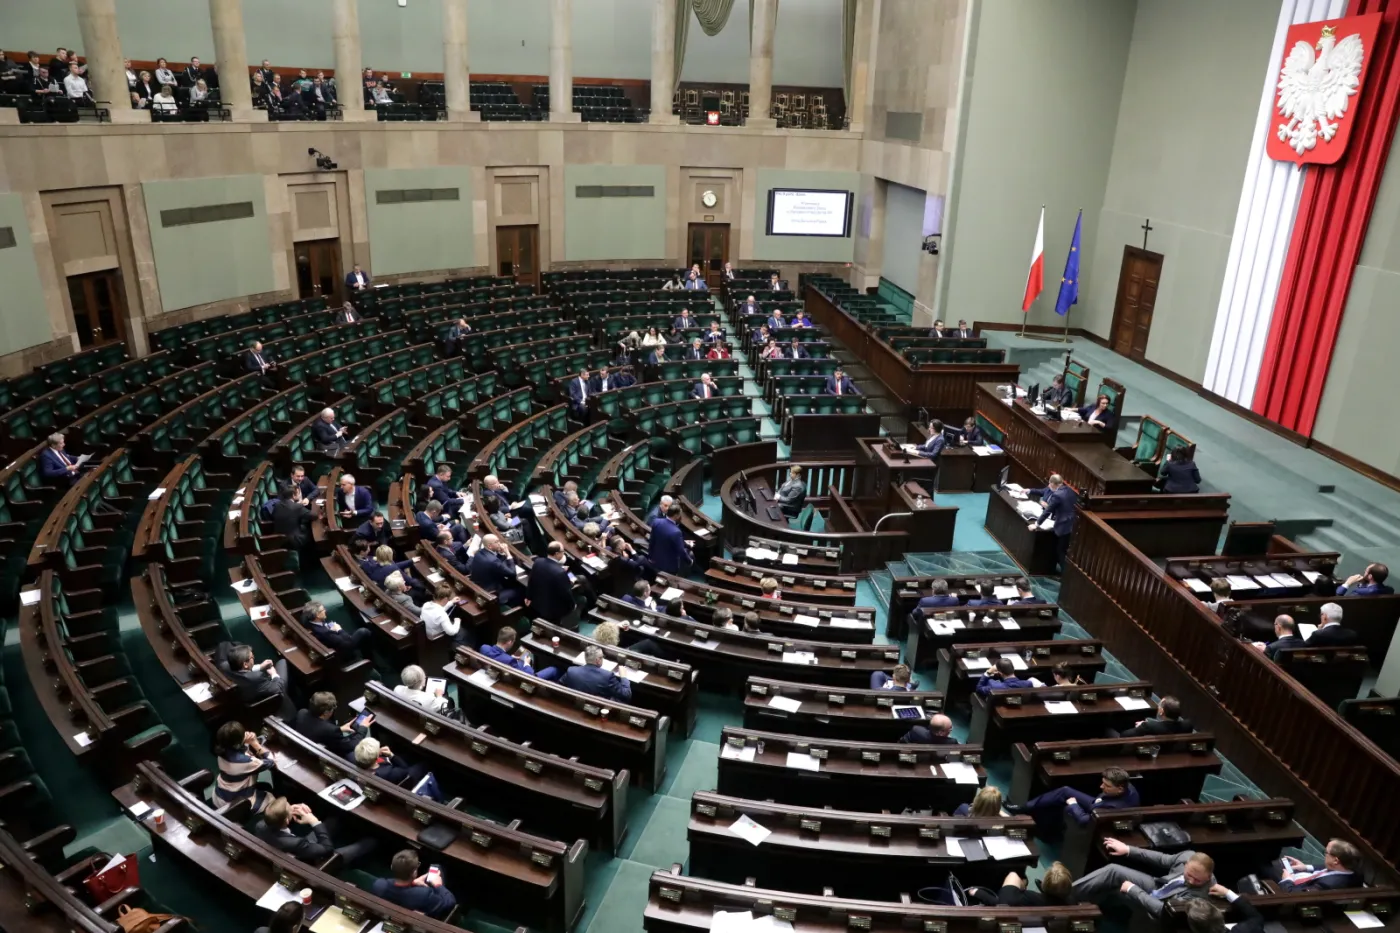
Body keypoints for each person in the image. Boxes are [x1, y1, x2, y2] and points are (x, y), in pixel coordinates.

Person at [1070, 840, 1214, 919]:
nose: (1192, 881)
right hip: (1158, 887)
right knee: (1113, 870)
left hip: (1160, 909)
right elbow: (1162, 859)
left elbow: (1162, 910)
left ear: (1208, 877)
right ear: (1186, 865)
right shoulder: (1187, 856)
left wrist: (1133, 889)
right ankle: (1065, 892)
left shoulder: (1200, 895)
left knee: (1118, 889)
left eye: (1198, 880)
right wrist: (1128, 849)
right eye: (1189, 875)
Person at [252, 797, 377, 867]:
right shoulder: (297, 843)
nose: (292, 807)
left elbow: (279, 820)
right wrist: (314, 821)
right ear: (286, 820)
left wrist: (290, 810)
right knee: (370, 842)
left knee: (334, 820)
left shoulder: (261, 825)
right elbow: (327, 849)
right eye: (289, 808)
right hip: (312, 862)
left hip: (293, 849)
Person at [1007, 767, 1140, 826]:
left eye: (1107, 786)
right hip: (1098, 803)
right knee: (1065, 791)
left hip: (1095, 818)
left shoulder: (1113, 807)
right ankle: (1025, 807)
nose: (1101, 787)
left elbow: (1084, 820)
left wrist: (1074, 805)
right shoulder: (1127, 787)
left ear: (1119, 788)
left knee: (1067, 807)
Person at [214, 642, 294, 720]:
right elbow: (277, 687)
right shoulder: (256, 678)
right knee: (282, 662)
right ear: (245, 664)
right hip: (260, 703)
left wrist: (260, 666)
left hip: (243, 697)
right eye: (252, 657)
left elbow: (223, 645)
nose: (254, 657)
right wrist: (274, 674)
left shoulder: (224, 666)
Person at [371, 849, 457, 919]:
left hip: (390, 915)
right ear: (414, 873)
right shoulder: (423, 894)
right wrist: (438, 885)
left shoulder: (379, 885)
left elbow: (397, 888)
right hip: (421, 920)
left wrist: (413, 883)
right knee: (437, 867)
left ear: (392, 867)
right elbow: (449, 903)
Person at [213, 721, 275, 813]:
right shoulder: (244, 762)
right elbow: (270, 761)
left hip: (220, 796)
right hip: (234, 804)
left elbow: (241, 752)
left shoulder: (222, 752)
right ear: (238, 743)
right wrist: (254, 743)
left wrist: (245, 742)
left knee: (265, 786)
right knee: (272, 799)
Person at [1263, 838, 1361, 891]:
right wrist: (1305, 867)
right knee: (1276, 860)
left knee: (1264, 864)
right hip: (1303, 876)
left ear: (1336, 861)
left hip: (1292, 885)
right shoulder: (1349, 869)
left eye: (1326, 852)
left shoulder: (1327, 885)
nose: (1325, 855)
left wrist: (1287, 880)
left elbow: (1294, 895)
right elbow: (1328, 867)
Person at [294, 690, 369, 758]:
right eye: (333, 709)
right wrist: (363, 728)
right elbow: (351, 745)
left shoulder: (302, 712)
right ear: (326, 712)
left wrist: (339, 729)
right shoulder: (330, 730)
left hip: (300, 749)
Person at [1026, 474, 1077, 573]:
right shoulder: (1069, 490)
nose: (1049, 485)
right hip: (1072, 522)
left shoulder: (1057, 495)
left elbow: (1047, 511)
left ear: (1053, 484)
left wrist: (1036, 524)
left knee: (1060, 551)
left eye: (1049, 483)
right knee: (1063, 549)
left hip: (1063, 524)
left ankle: (1065, 575)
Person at [301, 601, 371, 660]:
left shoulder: (309, 621)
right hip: (341, 653)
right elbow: (348, 644)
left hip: (332, 640)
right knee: (364, 632)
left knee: (358, 632)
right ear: (318, 615)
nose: (325, 610)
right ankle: (369, 659)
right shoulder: (325, 633)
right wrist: (339, 630)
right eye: (323, 610)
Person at [527, 541, 576, 624]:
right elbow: (567, 594)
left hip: (538, 605)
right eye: (563, 551)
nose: (564, 553)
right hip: (553, 611)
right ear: (557, 554)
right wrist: (573, 606)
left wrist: (528, 596)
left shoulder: (538, 562)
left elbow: (531, 580)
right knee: (575, 579)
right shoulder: (560, 572)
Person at [560, 645, 633, 701]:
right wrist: (623, 677)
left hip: (574, 702)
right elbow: (626, 694)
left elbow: (560, 685)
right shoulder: (607, 676)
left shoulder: (571, 670)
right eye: (602, 657)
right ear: (598, 660)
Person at [469, 534, 524, 607]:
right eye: (497, 542)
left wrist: (500, 553)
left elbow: (496, 561)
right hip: (491, 593)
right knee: (521, 588)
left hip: (481, 586)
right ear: (490, 546)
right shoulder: (493, 561)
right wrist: (508, 553)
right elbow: (512, 573)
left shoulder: (479, 553)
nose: (500, 544)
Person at [990, 863, 1074, 907]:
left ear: (1044, 885)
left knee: (1013, 875)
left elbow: (1012, 878)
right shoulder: (1073, 903)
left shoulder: (1028, 896)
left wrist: (1023, 885)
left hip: (1004, 904)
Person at [1110, 695, 1191, 738]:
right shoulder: (1187, 725)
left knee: (1108, 729)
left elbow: (1124, 735)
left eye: (1159, 705)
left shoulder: (1148, 726)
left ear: (1161, 712)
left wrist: (1140, 727)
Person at [649, 504, 693, 574]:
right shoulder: (676, 531)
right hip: (669, 567)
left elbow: (652, 541)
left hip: (655, 559)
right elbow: (681, 551)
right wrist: (690, 561)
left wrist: (650, 556)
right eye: (680, 514)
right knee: (690, 554)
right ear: (676, 516)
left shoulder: (656, 522)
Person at [271, 482, 313, 551]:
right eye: (298, 493)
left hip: (279, 539)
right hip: (293, 541)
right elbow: (313, 515)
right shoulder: (297, 507)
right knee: (311, 531)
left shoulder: (277, 505)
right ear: (293, 495)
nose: (299, 495)